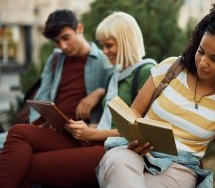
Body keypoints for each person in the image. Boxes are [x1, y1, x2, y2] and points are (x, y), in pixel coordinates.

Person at [97, 0, 215, 188]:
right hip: (134, 153)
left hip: (178, 168)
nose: (203, 62)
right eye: (201, 51)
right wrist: (135, 137)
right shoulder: (172, 67)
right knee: (118, 165)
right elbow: (135, 111)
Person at [0, 11, 155, 188]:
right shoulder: (116, 73)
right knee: (19, 131)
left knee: (28, 165)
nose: (104, 51)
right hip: (93, 138)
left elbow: (142, 131)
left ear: (126, 42)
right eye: (102, 45)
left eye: (109, 45)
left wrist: (91, 132)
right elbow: (109, 121)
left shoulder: (145, 72)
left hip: (114, 148)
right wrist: (84, 127)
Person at [0, 9, 113, 149]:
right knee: (6, 140)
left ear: (79, 28)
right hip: (50, 129)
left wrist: (100, 92)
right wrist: (37, 124)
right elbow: (42, 97)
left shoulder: (104, 59)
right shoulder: (55, 58)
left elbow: (116, 92)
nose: (63, 46)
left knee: (12, 138)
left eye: (66, 38)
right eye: (57, 42)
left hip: (81, 134)